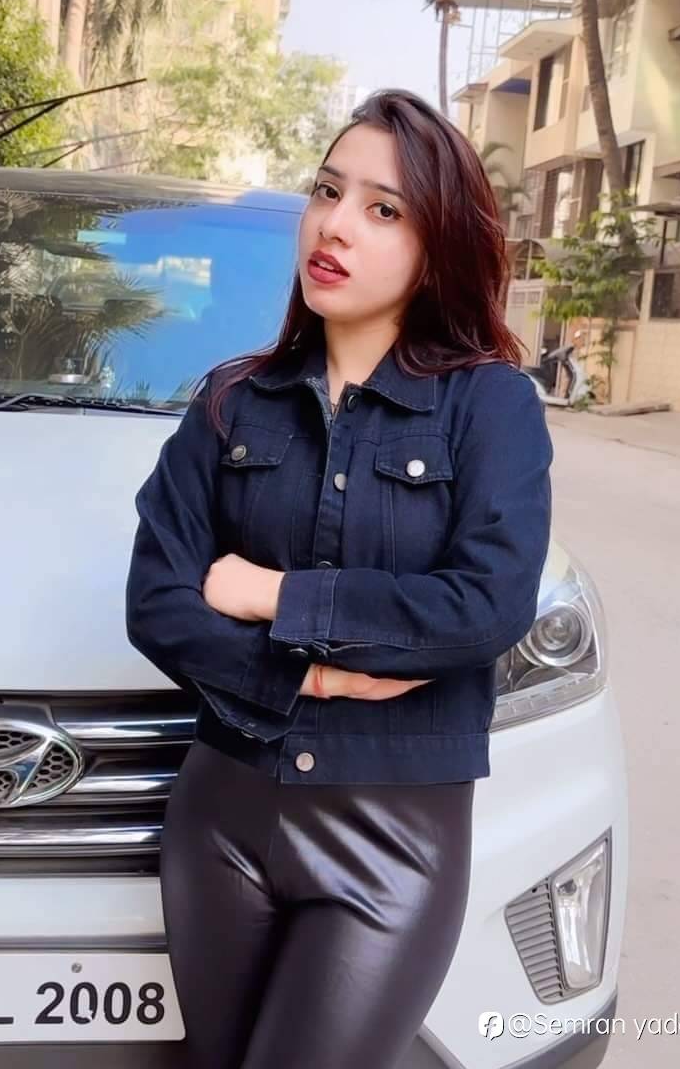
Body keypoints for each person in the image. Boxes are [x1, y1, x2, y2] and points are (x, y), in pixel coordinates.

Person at [125, 88, 554, 1069]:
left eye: (383, 208)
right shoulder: (231, 402)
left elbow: (484, 605)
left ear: (437, 247)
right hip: (222, 819)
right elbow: (158, 601)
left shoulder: (489, 405)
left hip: (391, 837)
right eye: (327, 191)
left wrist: (273, 595)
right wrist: (312, 675)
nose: (336, 224)